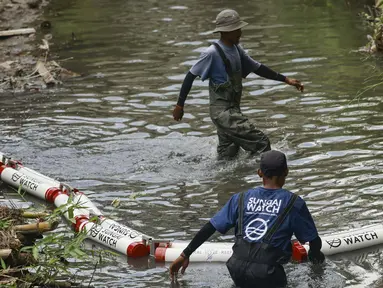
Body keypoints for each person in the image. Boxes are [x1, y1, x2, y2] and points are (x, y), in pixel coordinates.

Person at [169, 150, 325, 288]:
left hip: (236, 268)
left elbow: (211, 227)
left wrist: (184, 255)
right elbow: (313, 241)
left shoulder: (241, 198)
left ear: (259, 173)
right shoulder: (294, 203)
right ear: (286, 172)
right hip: (269, 275)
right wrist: (317, 263)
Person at [172, 9, 304, 160]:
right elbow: (190, 76)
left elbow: (258, 68)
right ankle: (263, 175)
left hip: (233, 110)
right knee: (262, 143)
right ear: (226, 31)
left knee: (228, 157)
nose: (240, 32)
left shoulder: (236, 49)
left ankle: (227, 182)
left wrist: (286, 80)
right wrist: (180, 106)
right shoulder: (212, 53)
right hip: (223, 114)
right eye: (237, 29)